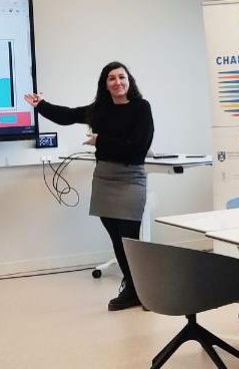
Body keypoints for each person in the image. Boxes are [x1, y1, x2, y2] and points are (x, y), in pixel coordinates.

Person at [24, 61, 154, 311]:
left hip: (130, 179)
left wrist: (100, 140)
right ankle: (133, 288)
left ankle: (143, 289)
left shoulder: (141, 108)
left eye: (121, 77)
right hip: (104, 178)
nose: (117, 82)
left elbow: (137, 148)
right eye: (111, 78)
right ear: (105, 84)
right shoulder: (100, 110)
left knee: (130, 238)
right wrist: (40, 105)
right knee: (116, 237)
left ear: (129, 80)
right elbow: (68, 115)